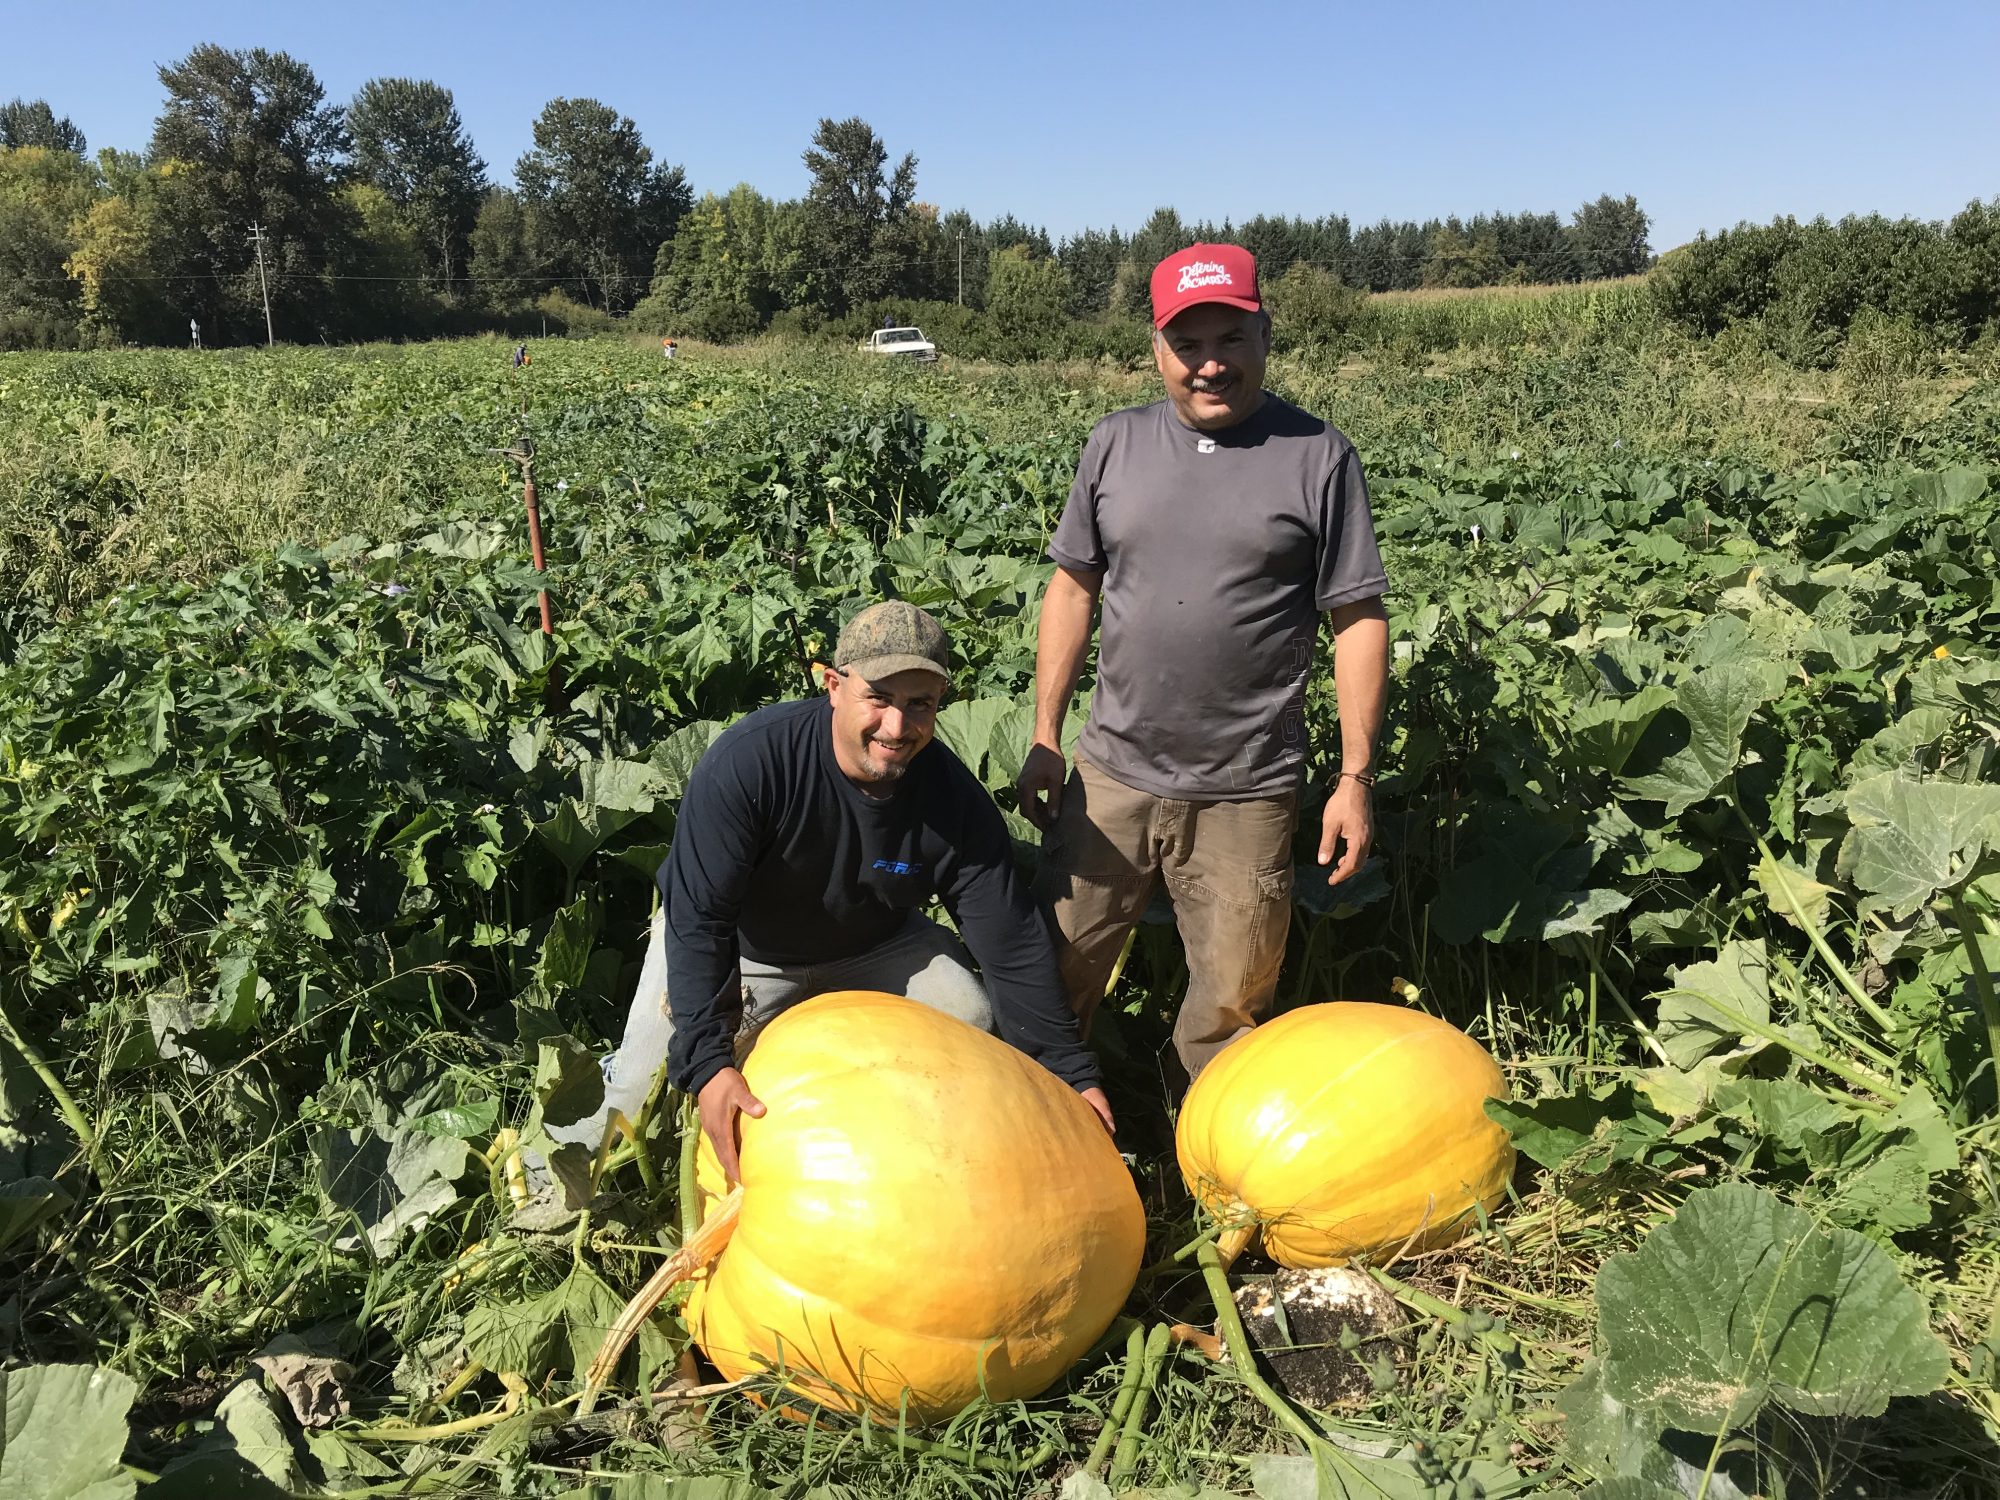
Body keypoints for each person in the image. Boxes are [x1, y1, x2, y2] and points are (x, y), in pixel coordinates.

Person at [559, 600, 1114, 1184]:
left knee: (969, 1018)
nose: (897, 728)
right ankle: (570, 1145)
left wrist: (1070, 1073)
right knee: (630, 1103)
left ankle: (895, 1157)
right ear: (834, 685)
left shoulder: (952, 799)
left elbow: (1012, 942)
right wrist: (707, 1059)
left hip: (874, 947)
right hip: (746, 950)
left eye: (919, 704)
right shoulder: (751, 764)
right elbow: (700, 920)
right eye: (879, 698)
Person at [1017, 241, 1390, 1081]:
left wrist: (1355, 778)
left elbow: (1358, 619)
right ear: (1158, 348)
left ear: (1265, 338)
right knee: (1052, 980)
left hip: (1246, 791)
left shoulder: (1318, 457)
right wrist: (1046, 733)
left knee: (1228, 1011)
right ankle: (1050, 1157)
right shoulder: (1114, 445)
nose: (1210, 365)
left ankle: (1213, 1180)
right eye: (1189, 345)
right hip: (1111, 776)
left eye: (1231, 339)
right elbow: (1072, 590)